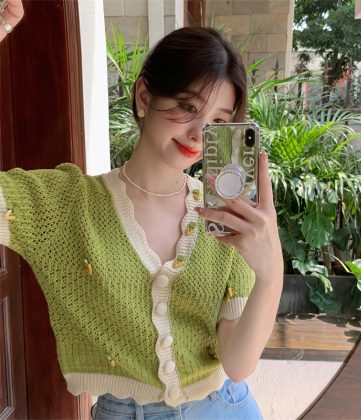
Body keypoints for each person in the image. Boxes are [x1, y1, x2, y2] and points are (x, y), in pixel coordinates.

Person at [0, 1, 284, 418]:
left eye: (218, 121)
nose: (198, 133)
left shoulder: (227, 219)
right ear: (144, 96)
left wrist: (271, 272)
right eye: (187, 107)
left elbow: (238, 364)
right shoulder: (66, 206)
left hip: (225, 408)